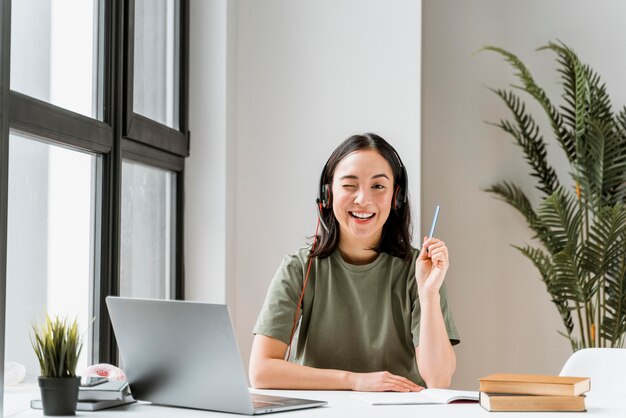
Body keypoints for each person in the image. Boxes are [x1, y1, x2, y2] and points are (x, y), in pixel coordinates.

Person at [249, 133, 458, 392]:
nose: (363, 199)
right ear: (327, 194)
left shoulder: (420, 270)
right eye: (349, 185)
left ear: (397, 197)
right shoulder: (299, 267)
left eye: (378, 186)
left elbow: (438, 380)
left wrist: (428, 294)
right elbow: (261, 371)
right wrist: (353, 380)